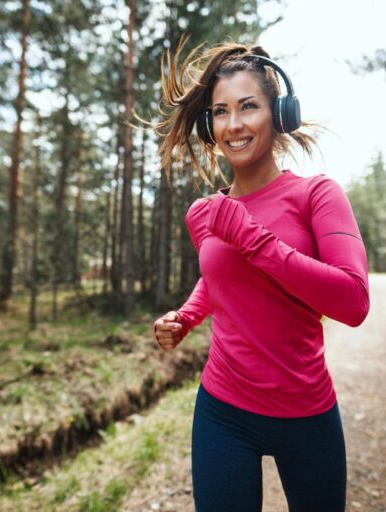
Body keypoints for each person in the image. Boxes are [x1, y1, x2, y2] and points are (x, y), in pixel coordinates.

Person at [152, 38, 370, 511]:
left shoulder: (318, 195)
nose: (234, 124)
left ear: (280, 114)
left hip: (307, 411)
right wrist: (186, 317)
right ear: (210, 125)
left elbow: (353, 302)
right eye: (221, 111)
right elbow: (218, 279)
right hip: (223, 410)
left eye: (248, 107)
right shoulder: (203, 213)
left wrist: (254, 240)